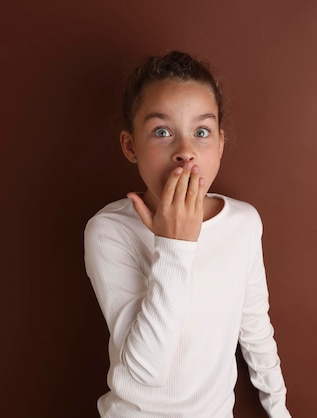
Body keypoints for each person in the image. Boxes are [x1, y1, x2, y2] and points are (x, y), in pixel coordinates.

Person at [84, 51, 291, 418]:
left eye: (201, 132)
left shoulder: (243, 223)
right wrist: (174, 246)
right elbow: (146, 373)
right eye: (162, 132)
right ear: (131, 146)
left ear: (221, 144)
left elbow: (255, 327)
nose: (185, 152)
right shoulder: (109, 230)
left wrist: (278, 408)